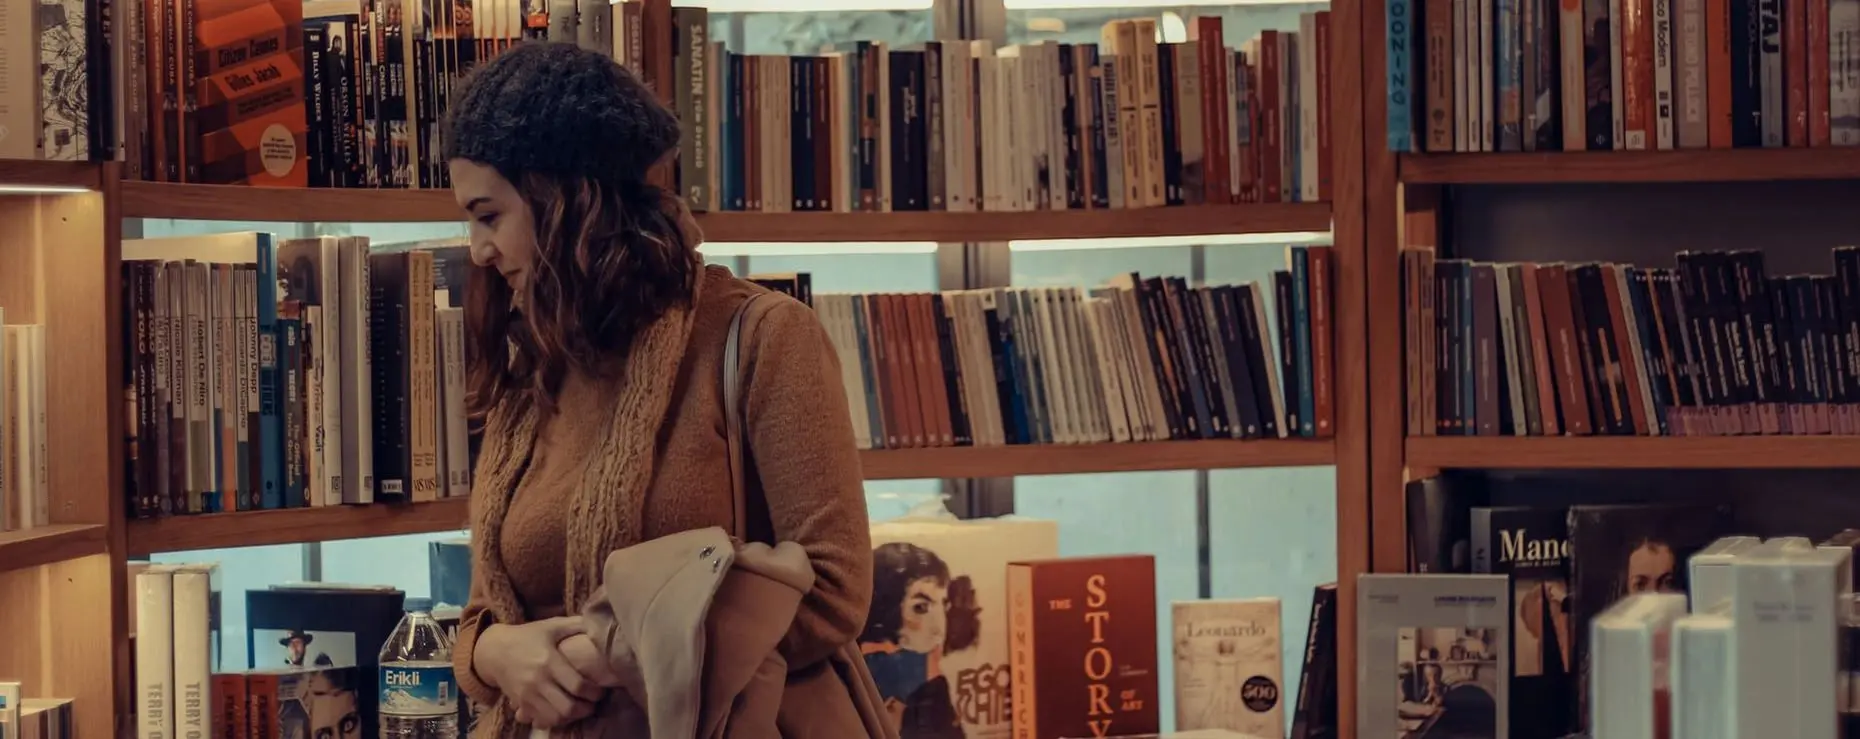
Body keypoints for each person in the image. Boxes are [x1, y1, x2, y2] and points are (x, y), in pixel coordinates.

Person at [443, 42, 873, 736]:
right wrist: (495, 653)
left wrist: (608, 654)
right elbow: (486, 611)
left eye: (489, 214)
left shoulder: (762, 338)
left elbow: (832, 590)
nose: (477, 249)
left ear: (564, 198)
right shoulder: (532, 373)